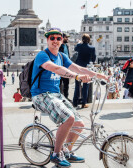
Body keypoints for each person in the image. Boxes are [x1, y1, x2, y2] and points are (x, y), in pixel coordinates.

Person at [31, 28, 108, 167]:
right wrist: (77, 77)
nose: (55, 41)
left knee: (79, 124)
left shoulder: (61, 56)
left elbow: (78, 68)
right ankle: (56, 154)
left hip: (56, 94)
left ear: (62, 41)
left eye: (58, 38)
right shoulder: (42, 55)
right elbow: (55, 68)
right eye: (52, 38)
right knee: (69, 118)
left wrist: (98, 75)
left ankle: (66, 151)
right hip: (41, 94)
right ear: (47, 40)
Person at [73, 34, 96, 108]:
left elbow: (75, 49)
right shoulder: (92, 48)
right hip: (86, 68)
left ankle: (75, 103)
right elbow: (93, 59)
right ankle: (84, 103)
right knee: (86, 85)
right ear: (89, 40)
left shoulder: (79, 46)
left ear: (82, 39)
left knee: (77, 85)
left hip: (78, 68)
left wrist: (79, 43)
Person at [59, 33, 70, 100]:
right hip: (60, 68)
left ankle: (66, 97)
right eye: (66, 37)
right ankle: (59, 98)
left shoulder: (67, 46)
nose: (67, 39)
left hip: (66, 68)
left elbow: (68, 56)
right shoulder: (59, 46)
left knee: (66, 84)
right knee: (59, 84)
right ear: (62, 38)